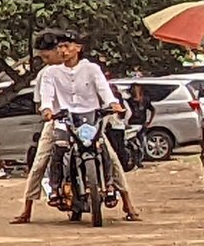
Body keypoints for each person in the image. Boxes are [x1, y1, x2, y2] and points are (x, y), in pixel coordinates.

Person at [38, 33, 140, 221]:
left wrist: (113, 104)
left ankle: (110, 187)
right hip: (64, 119)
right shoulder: (50, 73)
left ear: (78, 48)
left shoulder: (92, 69)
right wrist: (47, 109)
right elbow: (47, 96)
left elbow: (104, 89)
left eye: (67, 46)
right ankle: (55, 188)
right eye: (60, 47)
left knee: (105, 150)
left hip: (91, 118)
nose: (63, 50)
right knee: (59, 148)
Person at [11, 30, 71, 224]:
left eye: (46, 56)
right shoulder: (45, 75)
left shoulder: (78, 69)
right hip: (56, 121)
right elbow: (40, 103)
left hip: (82, 120)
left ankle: (127, 202)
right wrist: (47, 111)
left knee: (108, 155)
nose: (45, 61)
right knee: (39, 164)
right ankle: (26, 209)